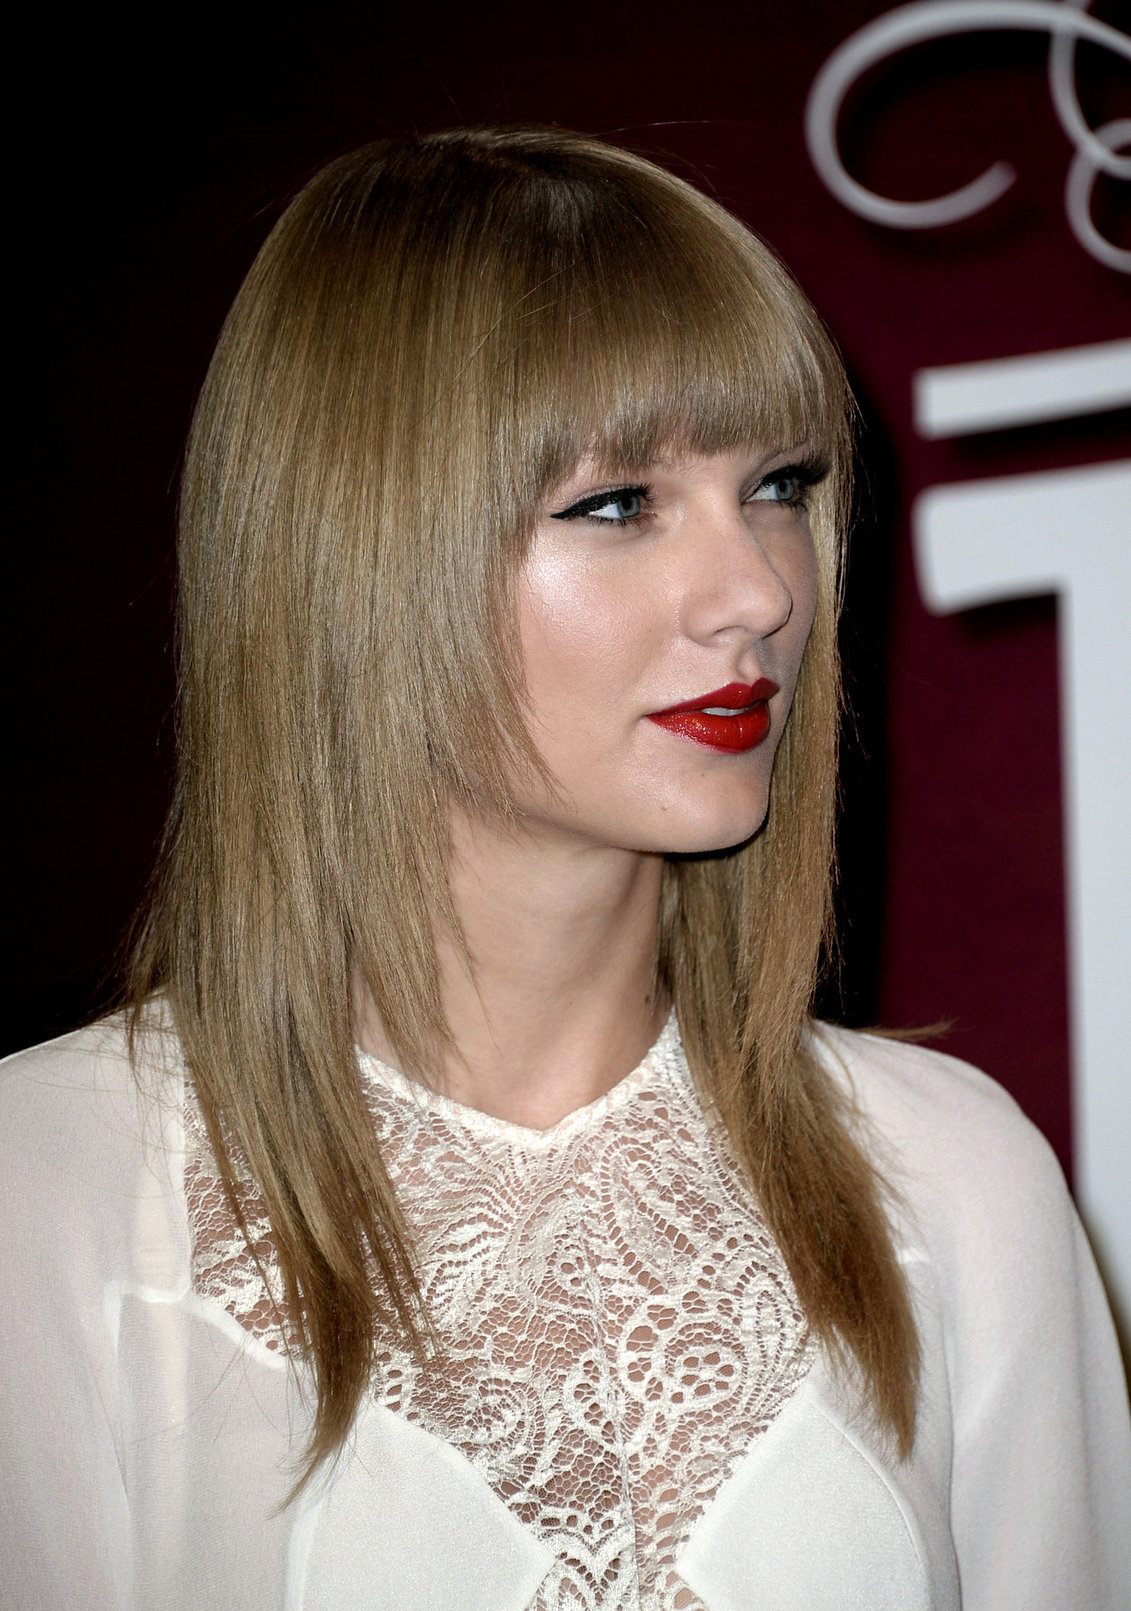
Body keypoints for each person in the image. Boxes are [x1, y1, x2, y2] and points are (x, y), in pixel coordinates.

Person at [0, 126, 1127, 1611]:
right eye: (617, 504)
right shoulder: (55, 1188)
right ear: (358, 553)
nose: (761, 594)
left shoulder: (953, 1177)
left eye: (778, 486)